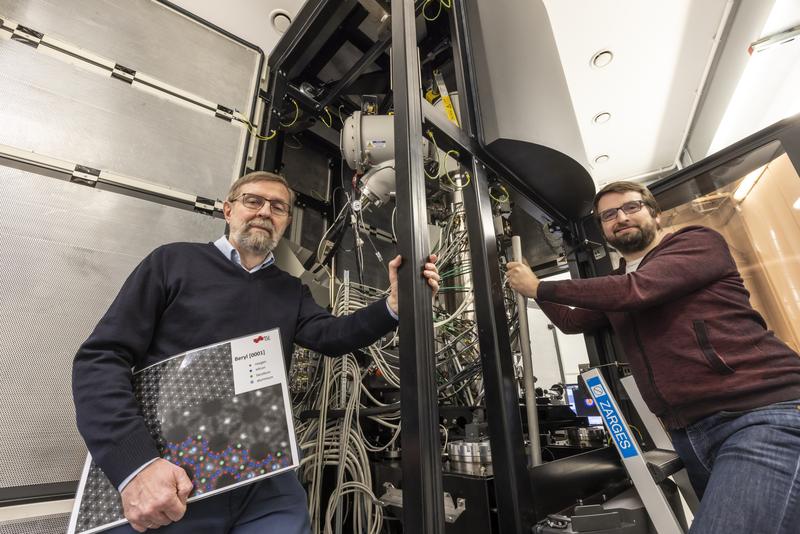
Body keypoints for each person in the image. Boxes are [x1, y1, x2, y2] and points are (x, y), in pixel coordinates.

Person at [72, 171, 440, 533]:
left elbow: (334, 335)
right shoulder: (171, 262)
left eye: (278, 207)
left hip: (264, 476)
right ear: (228, 210)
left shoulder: (291, 290)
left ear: (285, 223)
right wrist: (136, 466)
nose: (265, 211)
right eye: (253, 201)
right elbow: (101, 359)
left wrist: (392, 305)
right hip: (175, 472)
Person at [507, 181, 800, 534]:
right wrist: (531, 284)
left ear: (655, 213)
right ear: (602, 230)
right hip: (689, 432)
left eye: (631, 207)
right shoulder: (620, 283)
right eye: (609, 215)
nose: (621, 218)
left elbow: (638, 290)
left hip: (760, 415)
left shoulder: (696, 243)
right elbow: (572, 321)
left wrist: (539, 287)